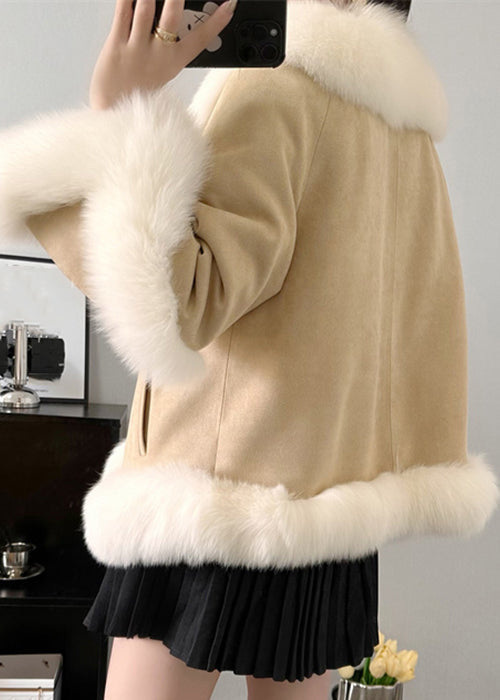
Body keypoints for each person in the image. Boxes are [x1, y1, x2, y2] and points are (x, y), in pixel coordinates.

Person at [0, 0, 498, 699]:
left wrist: (117, 113)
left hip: (213, 500)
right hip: (327, 513)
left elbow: (179, 302)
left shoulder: (276, 86)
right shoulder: (405, 135)